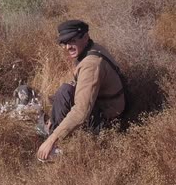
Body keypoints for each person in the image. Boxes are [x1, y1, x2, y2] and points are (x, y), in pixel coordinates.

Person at [37, 20, 126, 161]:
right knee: (64, 91)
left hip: (108, 118)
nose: (67, 47)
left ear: (85, 37)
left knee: (64, 93)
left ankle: (55, 147)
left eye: (72, 41)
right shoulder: (93, 48)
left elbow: (81, 111)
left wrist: (53, 138)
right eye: (64, 42)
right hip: (106, 104)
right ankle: (53, 126)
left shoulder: (91, 64)